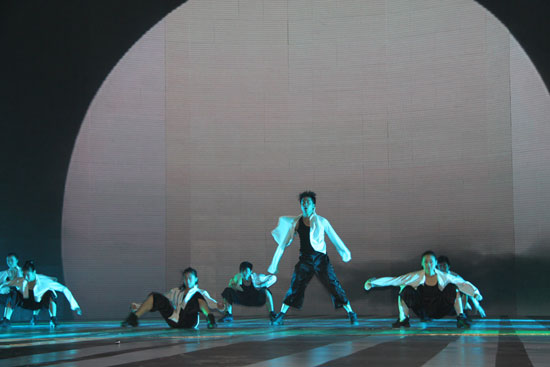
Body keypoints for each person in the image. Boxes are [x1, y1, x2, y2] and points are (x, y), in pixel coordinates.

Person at [268, 191, 358, 325]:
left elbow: (334, 238)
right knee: (295, 285)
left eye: (308, 202)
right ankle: (281, 314)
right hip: (305, 259)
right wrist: (274, 264)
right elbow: (282, 244)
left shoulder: (322, 221)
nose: (305, 204)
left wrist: (344, 252)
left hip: (320, 259)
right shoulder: (296, 223)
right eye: (303, 202)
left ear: (313, 206)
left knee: (333, 284)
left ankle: (351, 312)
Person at [364, 251, 482, 328]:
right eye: (426, 262)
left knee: (453, 287)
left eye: (431, 262)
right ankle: (403, 319)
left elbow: (462, 283)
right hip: (424, 310)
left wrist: (476, 293)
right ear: (422, 264)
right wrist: (373, 283)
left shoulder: (444, 276)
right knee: (404, 289)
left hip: (441, 308)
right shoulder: (416, 276)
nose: (428, 264)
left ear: (435, 263)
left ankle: (460, 318)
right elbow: (394, 280)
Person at [121, 267, 220, 329]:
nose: (187, 280)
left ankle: (211, 320)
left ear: (196, 279)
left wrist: (219, 305)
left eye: (190, 278)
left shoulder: (200, 292)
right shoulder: (176, 291)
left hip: (189, 321)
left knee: (197, 296)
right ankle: (133, 318)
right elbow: (159, 301)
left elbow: (209, 302)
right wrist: (138, 306)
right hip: (175, 320)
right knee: (155, 296)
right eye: (185, 278)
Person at [0, 260, 82, 328]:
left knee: (50, 293)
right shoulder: (21, 280)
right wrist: (1, 289)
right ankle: (6, 319)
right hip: (25, 302)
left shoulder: (44, 281)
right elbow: (4, 284)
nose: (26, 277)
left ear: (34, 272)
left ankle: (53, 319)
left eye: (28, 275)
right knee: (13, 293)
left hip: (39, 303)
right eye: (24, 275)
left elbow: (64, 289)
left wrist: (75, 306)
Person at [0, 253, 22, 325]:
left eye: (11, 260)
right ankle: (5, 319)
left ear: (17, 261)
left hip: (19, 296)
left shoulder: (22, 272)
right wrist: (1, 289)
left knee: (13, 292)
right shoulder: (3, 273)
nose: (9, 262)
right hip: (5, 295)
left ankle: (6, 318)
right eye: (8, 260)